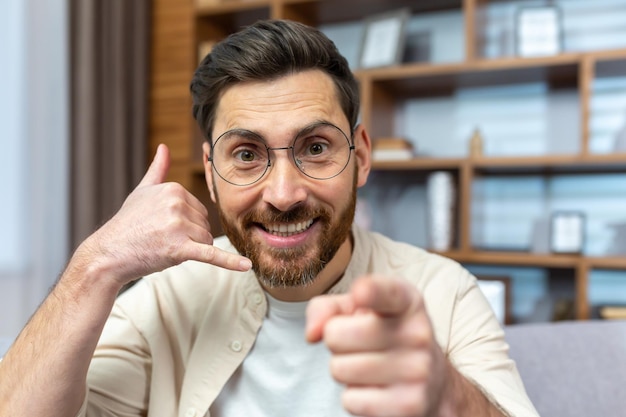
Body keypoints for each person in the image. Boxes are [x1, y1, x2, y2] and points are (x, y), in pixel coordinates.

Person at [0, 19, 538, 417]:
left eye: (316, 147)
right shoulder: (166, 299)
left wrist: (448, 399)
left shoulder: (445, 294)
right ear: (210, 174)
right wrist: (95, 265)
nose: (283, 193)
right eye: (247, 155)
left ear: (362, 157)